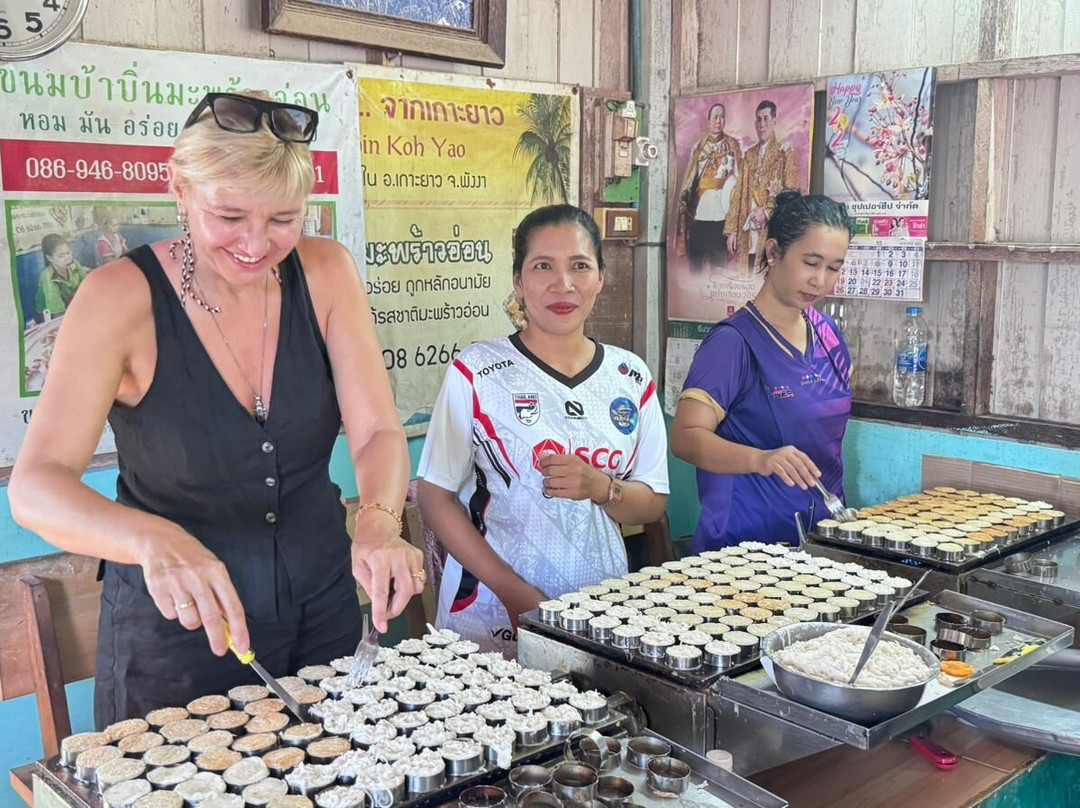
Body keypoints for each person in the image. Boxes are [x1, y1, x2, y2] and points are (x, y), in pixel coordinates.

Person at [9, 92, 424, 727]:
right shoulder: (117, 298)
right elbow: (36, 487)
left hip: (324, 609)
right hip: (178, 635)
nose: (256, 244)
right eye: (229, 216)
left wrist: (378, 521)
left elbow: (376, 431)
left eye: (283, 219)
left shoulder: (326, 272)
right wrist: (153, 539)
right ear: (179, 190)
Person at [416, 205, 670, 656]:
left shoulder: (630, 376)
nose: (563, 284)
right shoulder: (477, 371)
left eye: (580, 266)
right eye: (543, 266)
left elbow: (651, 502)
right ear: (518, 281)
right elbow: (435, 498)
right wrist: (513, 591)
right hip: (491, 614)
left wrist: (602, 488)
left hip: (599, 607)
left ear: (601, 277)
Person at [672, 192, 854, 551]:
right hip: (742, 550)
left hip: (820, 543)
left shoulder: (829, 335)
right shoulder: (733, 343)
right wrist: (761, 459)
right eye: (811, 263)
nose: (820, 280)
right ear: (773, 252)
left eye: (833, 268)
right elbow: (685, 438)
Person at [725, 100, 800, 276]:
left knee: (767, 280)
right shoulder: (749, 155)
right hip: (747, 233)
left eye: (766, 118)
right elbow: (738, 193)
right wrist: (731, 231)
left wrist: (767, 212)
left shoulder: (785, 153)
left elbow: (792, 196)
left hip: (771, 232)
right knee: (745, 281)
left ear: (774, 121)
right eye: (758, 119)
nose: (762, 124)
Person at [675, 103, 742, 274]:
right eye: (715, 117)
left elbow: (739, 181)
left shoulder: (732, 145)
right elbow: (690, 178)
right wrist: (684, 196)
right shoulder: (699, 146)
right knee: (695, 266)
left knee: (719, 269)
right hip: (701, 213)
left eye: (722, 117)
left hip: (722, 216)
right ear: (709, 121)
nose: (719, 121)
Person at [35, 233, 88, 321]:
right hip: (50, 317)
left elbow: (88, 283)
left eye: (68, 253)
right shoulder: (48, 279)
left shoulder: (73, 264)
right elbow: (58, 316)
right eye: (61, 256)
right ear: (50, 258)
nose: (68, 258)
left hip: (72, 305)